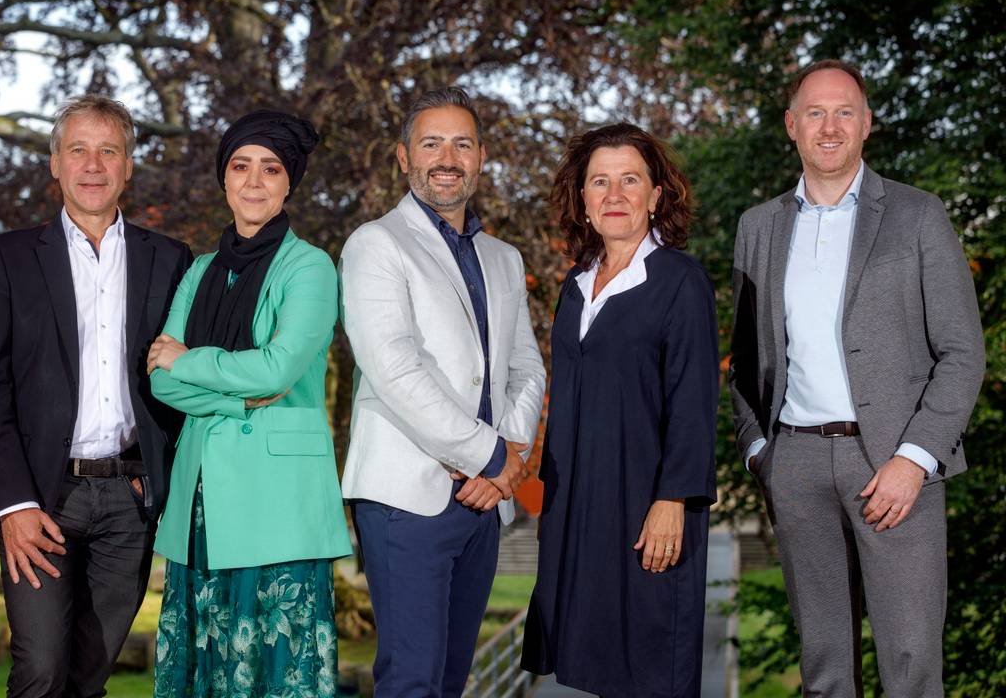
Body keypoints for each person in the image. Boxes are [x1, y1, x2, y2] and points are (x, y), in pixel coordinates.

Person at [729, 60, 985, 697]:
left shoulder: (917, 216)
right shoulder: (758, 228)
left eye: (845, 111)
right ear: (792, 126)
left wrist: (915, 460)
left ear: (867, 124)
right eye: (814, 112)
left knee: (909, 665)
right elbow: (746, 357)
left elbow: (962, 353)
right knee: (824, 670)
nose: (830, 126)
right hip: (798, 466)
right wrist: (763, 452)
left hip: (895, 470)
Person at [0, 94, 191, 697]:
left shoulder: (170, 260)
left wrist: (156, 478)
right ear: (55, 164)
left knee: (90, 677)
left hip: (129, 498)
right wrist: (12, 504)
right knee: (40, 668)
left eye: (108, 151)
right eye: (78, 151)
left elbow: (180, 383)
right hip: (42, 498)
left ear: (129, 165)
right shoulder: (7, 257)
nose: (93, 165)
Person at [339, 86, 547, 696]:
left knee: (453, 681)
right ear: (404, 157)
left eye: (461, 143)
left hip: (486, 501)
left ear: (481, 156)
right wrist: (490, 455)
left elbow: (527, 368)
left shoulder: (504, 259)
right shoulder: (375, 245)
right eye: (431, 143)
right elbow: (395, 369)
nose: (447, 157)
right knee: (412, 680)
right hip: (408, 500)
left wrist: (507, 463)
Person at [147, 109, 352, 697]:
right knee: (206, 672)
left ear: (290, 183)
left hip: (280, 505)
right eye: (241, 166)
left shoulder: (309, 267)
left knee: (278, 674)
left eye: (271, 168)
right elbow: (160, 383)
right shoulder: (201, 270)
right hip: (201, 502)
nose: (254, 181)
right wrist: (239, 399)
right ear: (224, 178)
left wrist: (188, 360)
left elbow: (279, 366)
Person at [519, 123, 719, 696]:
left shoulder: (680, 282)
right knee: (601, 667)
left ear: (656, 194)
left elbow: (694, 402)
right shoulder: (574, 287)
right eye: (599, 182)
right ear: (582, 200)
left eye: (630, 180)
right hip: (583, 506)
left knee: (653, 663)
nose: (614, 194)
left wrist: (673, 499)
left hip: (649, 504)